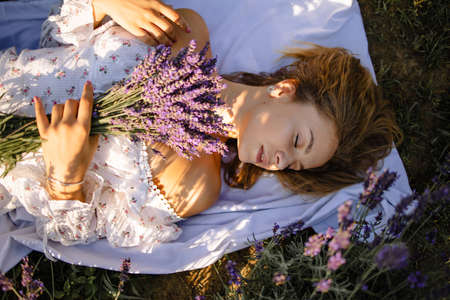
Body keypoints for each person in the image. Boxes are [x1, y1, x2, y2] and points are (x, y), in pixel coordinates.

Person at [0, 0, 400, 249]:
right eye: (297, 140)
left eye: (293, 165)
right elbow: (56, 38)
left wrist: (66, 176)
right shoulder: (187, 31)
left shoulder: (196, 185)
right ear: (283, 90)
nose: (279, 161)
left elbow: (71, 234)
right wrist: (106, 3)